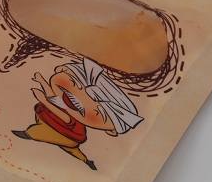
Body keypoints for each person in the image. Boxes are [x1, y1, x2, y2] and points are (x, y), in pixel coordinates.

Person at [12, 58, 143, 170]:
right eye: (74, 83)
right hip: (55, 123)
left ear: (112, 131)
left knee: (42, 133)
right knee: (72, 150)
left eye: (98, 113)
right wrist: (42, 81)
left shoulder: (71, 112)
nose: (82, 100)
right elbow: (54, 98)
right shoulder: (67, 102)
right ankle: (86, 161)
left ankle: (28, 134)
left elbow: (65, 117)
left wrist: (43, 99)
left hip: (65, 132)